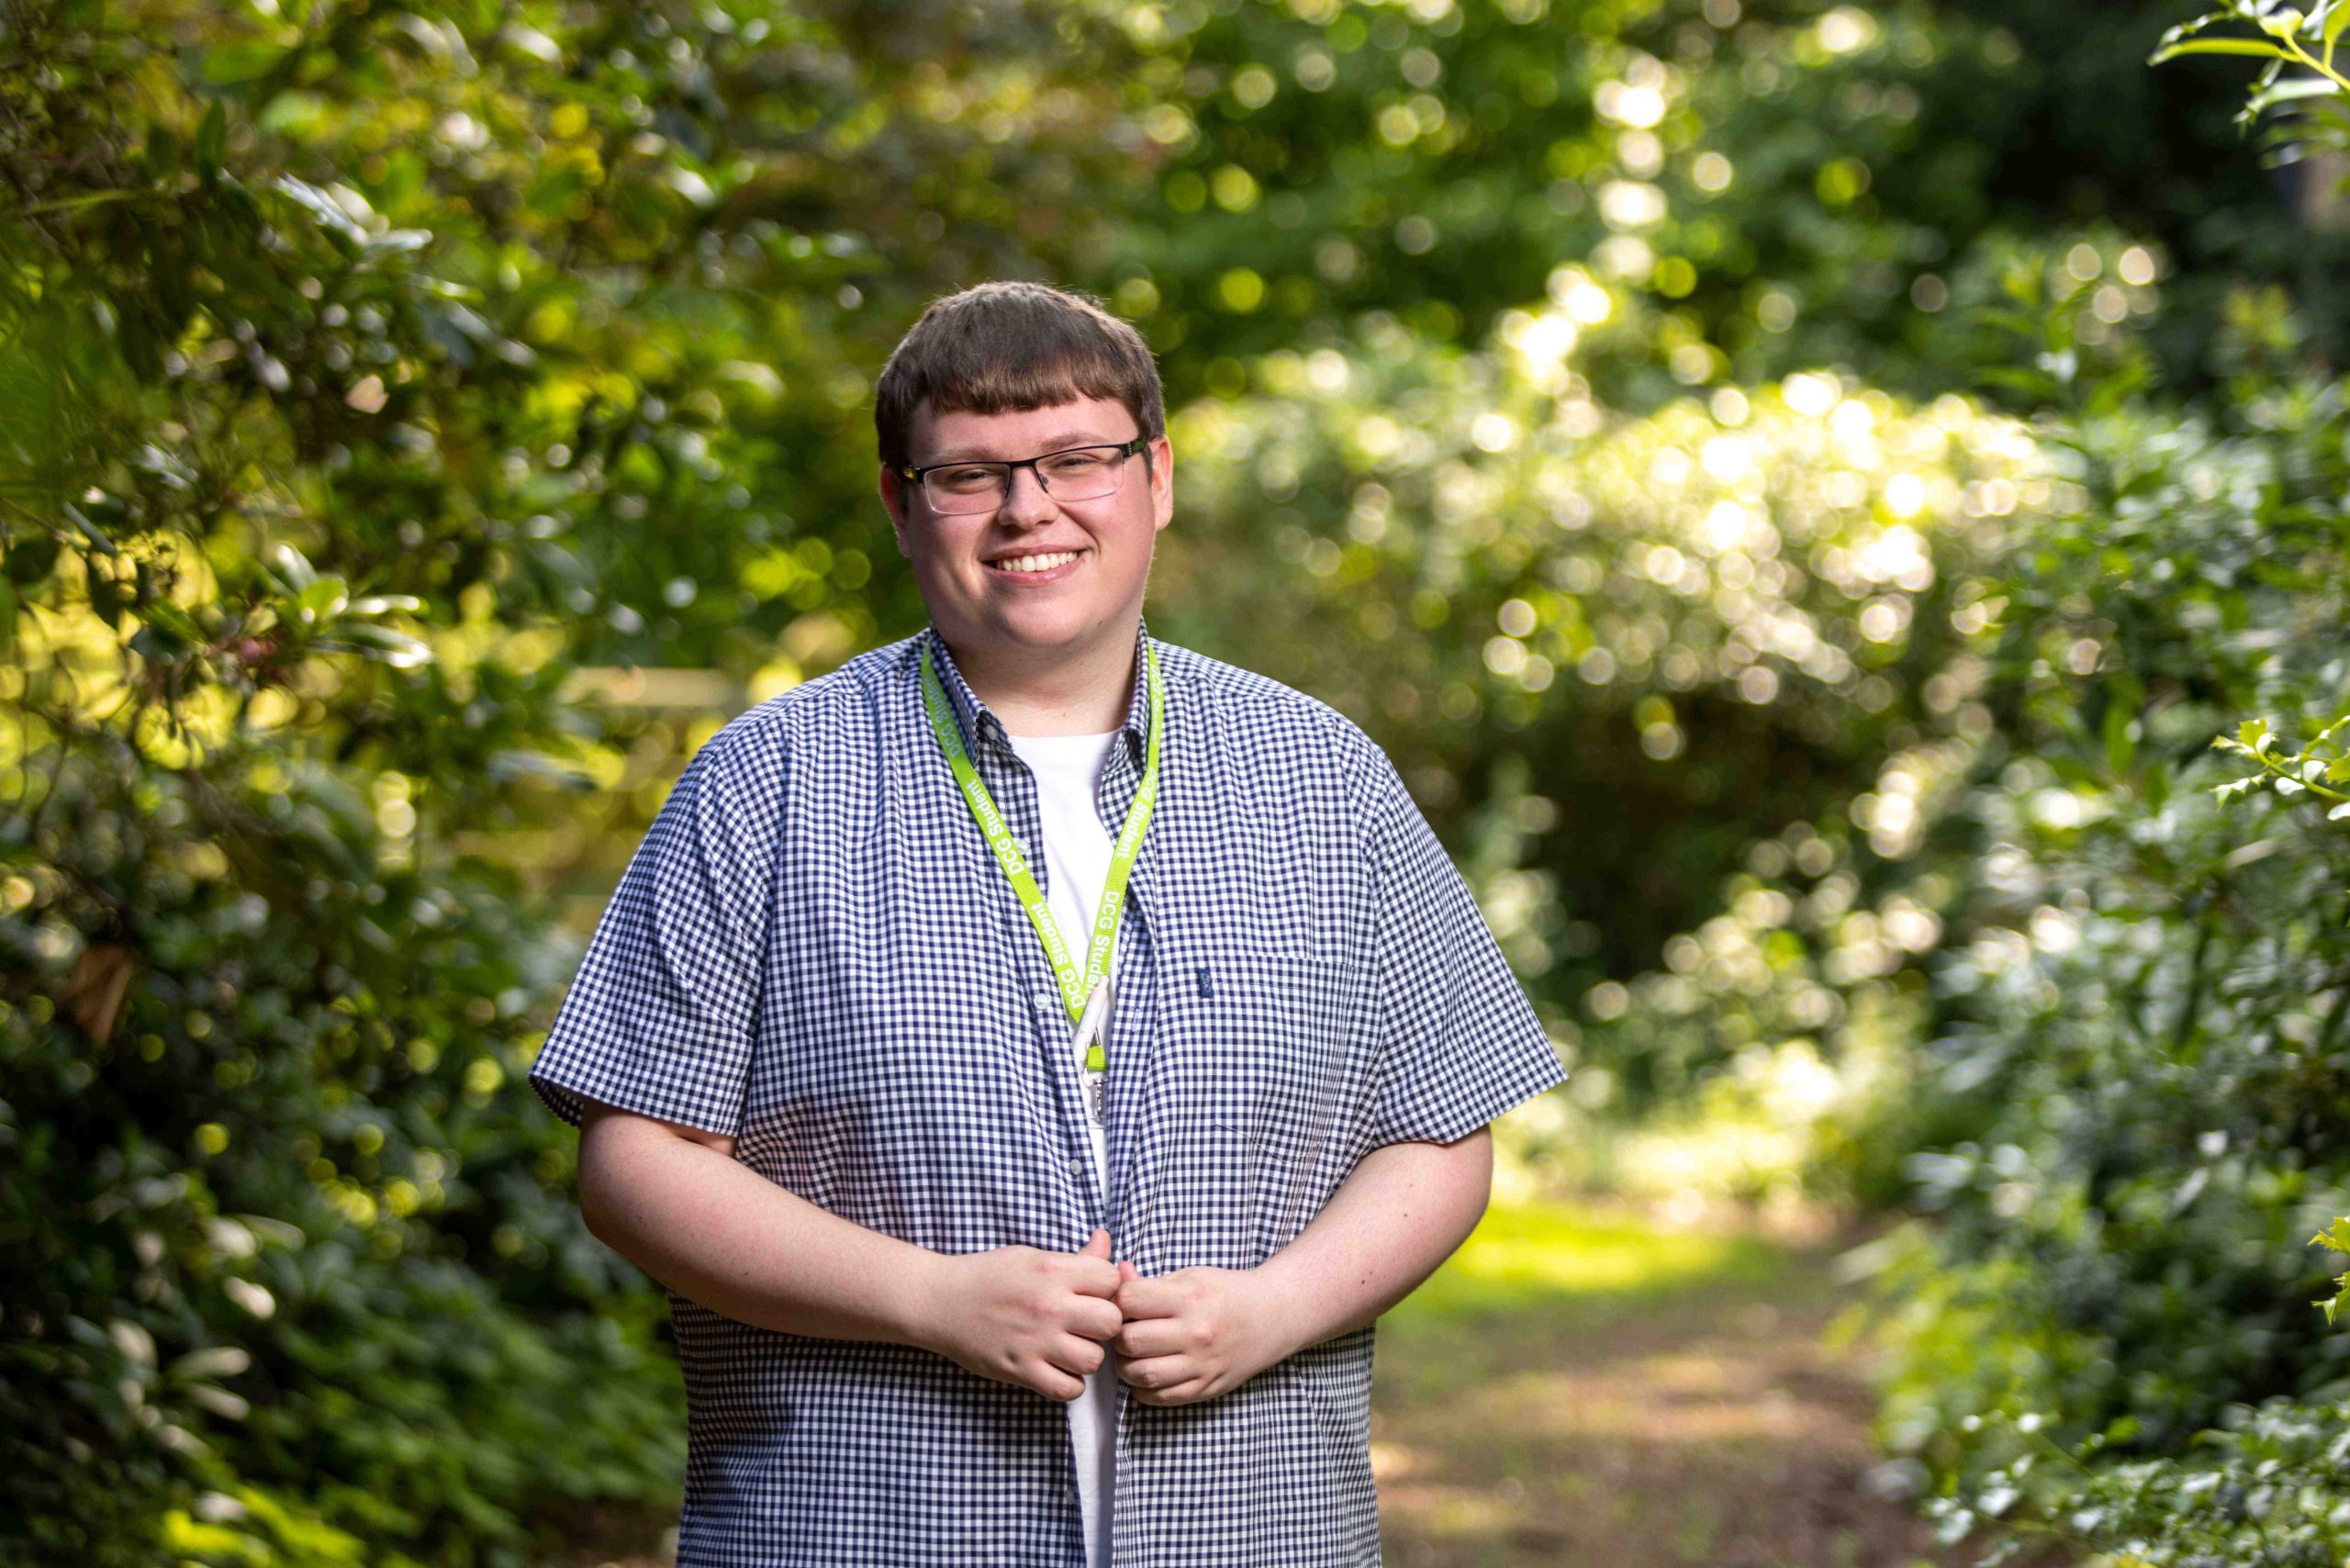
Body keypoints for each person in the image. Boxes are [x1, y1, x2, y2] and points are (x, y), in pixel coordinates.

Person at [528, 279, 1566, 1567]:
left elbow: (1439, 1135)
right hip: (859, 1531)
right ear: (903, 506)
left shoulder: (1324, 779)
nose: (1030, 508)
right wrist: (928, 1298)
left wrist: (1274, 1310)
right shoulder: (767, 782)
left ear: (1157, 478)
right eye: (971, 475)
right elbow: (633, 1164)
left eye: (1077, 458)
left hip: (1255, 1532)